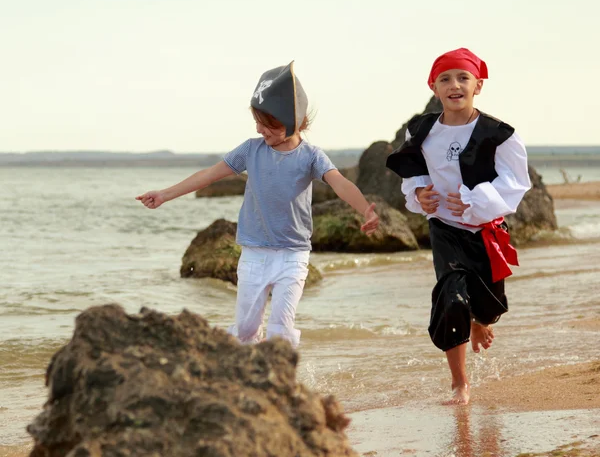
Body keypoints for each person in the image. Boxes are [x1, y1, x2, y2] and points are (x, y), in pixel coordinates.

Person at [137, 61, 379, 347]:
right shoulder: (251, 150)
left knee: (280, 328)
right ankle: (242, 378)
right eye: (258, 121)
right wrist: (165, 194)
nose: (260, 129)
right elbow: (209, 175)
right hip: (254, 253)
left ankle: (282, 382)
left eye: (269, 124)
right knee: (245, 330)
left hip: (293, 255)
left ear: (295, 121)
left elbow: (339, 182)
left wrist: (364, 209)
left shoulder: (311, 156)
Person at [386, 48, 531, 405]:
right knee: (451, 298)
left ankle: (481, 318)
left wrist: (475, 200)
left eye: (463, 78)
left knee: (490, 305)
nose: (454, 85)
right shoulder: (421, 130)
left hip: (484, 229)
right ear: (433, 87)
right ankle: (459, 383)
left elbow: (515, 183)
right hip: (444, 228)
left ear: (478, 86)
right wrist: (419, 193)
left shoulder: (499, 134)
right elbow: (413, 170)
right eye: (445, 79)